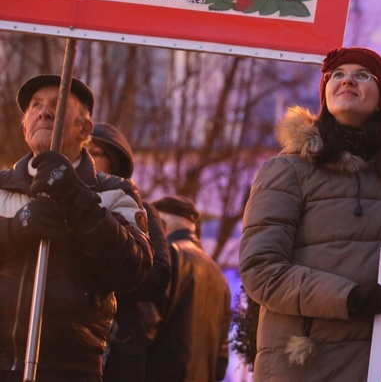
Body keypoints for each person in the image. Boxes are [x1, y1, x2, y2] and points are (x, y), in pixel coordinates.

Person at [239, 47, 381, 381]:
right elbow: (261, 271)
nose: (347, 79)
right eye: (337, 74)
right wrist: (348, 298)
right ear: (326, 93)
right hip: (307, 364)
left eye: (362, 74)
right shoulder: (286, 170)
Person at [0, 75, 152, 381]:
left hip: (71, 368)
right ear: (25, 127)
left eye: (57, 105)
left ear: (84, 128)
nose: (44, 112)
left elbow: (133, 268)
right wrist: (16, 230)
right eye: (36, 106)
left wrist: (75, 195)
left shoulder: (115, 192)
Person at [89, 123, 171, 382]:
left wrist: (101, 279)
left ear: (115, 164)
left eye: (96, 153)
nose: (86, 159)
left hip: (119, 339)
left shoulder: (140, 210)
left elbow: (157, 274)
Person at [146, 195, 231, 382]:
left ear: (161, 225)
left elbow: (145, 327)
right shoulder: (219, 276)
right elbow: (221, 358)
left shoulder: (165, 258)